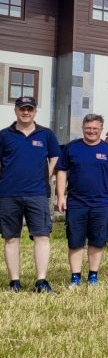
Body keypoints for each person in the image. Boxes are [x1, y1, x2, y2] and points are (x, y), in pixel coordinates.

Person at [0, 96, 60, 293]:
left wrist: (46, 174)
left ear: (35, 111)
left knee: (42, 236)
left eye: (29, 109)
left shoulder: (46, 134)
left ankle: (41, 281)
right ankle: (14, 282)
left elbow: (54, 156)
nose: (26, 112)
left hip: (38, 193)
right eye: (22, 109)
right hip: (8, 194)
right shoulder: (4, 135)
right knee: (11, 238)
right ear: (16, 111)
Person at [56, 114, 108, 288]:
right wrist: (61, 196)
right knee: (75, 241)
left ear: (101, 129)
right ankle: (75, 277)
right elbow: (61, 172)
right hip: (76, 203)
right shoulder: (71, 148)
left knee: (97, 241)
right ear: (83, 128)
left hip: (101, 204)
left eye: (95, 128)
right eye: (88, 128)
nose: (91, 131)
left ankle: (93, 276)